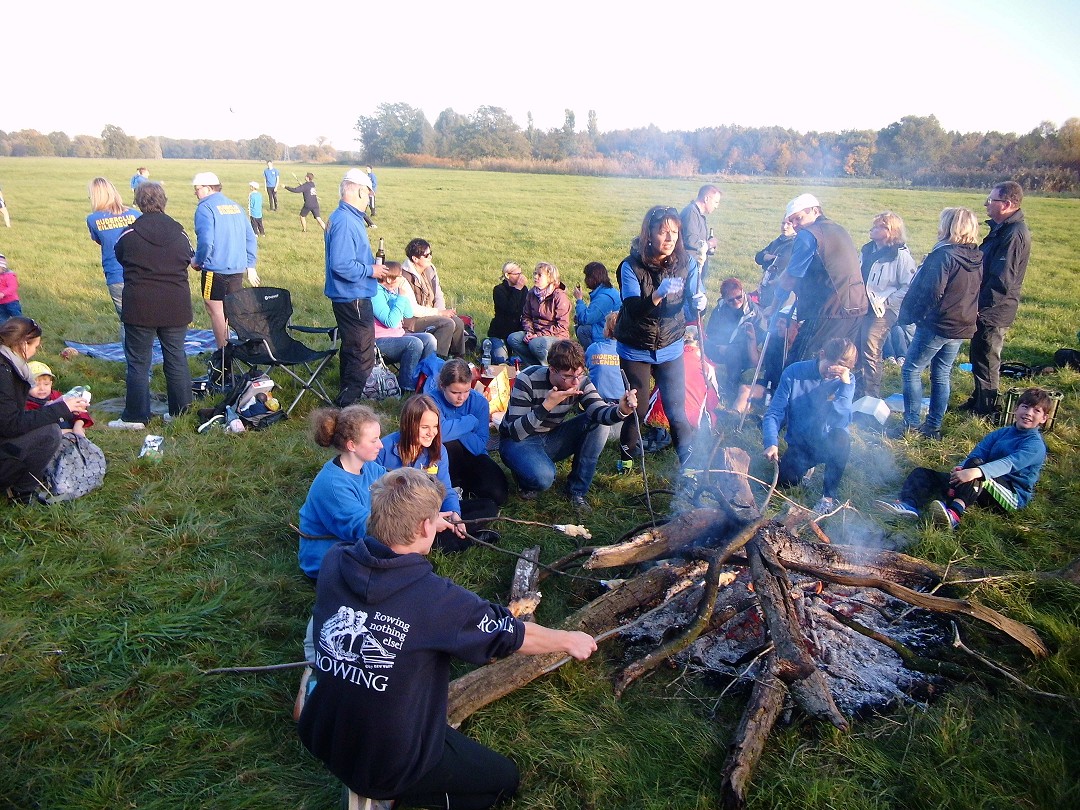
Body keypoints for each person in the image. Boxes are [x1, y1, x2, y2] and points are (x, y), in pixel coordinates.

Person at [297, 466, 596, 809]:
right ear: (425, 527)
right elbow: (511, 633)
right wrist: (568, 639)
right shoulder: (436, 601)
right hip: (387, 764)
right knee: (504, 781)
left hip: (322, 733)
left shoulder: (335, 562)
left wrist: (426, 520)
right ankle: (389, 798)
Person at [877, 386, 1051, 530]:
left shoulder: (1035, 445)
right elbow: (978, 453)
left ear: (1044, 418)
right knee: (923, 473)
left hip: (1011, 495)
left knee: (976, 470)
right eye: (1025, 407)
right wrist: (961, 468)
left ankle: (954, 513)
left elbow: (1008, 464)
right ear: (1016, 409)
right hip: (982, 484)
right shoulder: (1002, 433)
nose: (1029, 413)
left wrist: (974, 471)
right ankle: (908, 505)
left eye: (1036, 410)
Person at [615, 205, 708, 469]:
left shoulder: (687, 263)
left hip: (670, 345)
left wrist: (701, 302)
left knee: (676, 410)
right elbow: (633, 309)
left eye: (674, 233)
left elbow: (694, 299)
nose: (669, 239)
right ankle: (626, 462)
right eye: (663, 232)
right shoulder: (630, 266)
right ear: (648, 234)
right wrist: (657, 294)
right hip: (636, 347)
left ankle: (688, 466)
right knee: (638, 409)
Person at [500, 339, 636, 509]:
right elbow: (515, 432)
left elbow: (600, 412)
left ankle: (576, 491)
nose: (575, 382)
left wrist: (621, 410)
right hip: (518, 441)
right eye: (568, 377)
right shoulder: (527, 379)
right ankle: (525, 477)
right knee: (544, 478)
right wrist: (546, 406)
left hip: (550, 435)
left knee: (598, 424)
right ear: (552, 369)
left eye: (579, 375)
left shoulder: (581, 381)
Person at [110, 181, 195, 429]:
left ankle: (136, 417)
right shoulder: (180, 233)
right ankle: (180, 413)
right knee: (176, 357)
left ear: (138, 202)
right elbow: (189, 257)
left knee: (138, 362)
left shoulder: (129, 234)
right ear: (163, 201)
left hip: (140, 307)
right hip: (175, 305)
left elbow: (120, 256)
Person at [897, 207, 983, 440]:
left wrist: (917, 316)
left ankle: (911, 424)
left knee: (911, 370)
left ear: (949, 226)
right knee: (941, 373)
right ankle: (933, 426)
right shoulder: (976, 256)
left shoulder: (943, 255)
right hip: (961, 324)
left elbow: (932, 292)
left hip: (938, 324)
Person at [377, 394, 499, 553]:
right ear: (408, 425)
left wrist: (455, 514)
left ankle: (445, 534)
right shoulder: (383, 450)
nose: (432, 433)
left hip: (430, 509)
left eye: (435, 426)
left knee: (488, 507)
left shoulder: (438, 450)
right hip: (397, 517)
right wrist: (430, 522)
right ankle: (461, 541)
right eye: (425, 427)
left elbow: (445, 488)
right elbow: (377, 500)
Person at [762, 337, 857, 515]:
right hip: (801, 445)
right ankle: (807, 469)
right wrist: (771, 441)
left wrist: (844, 385)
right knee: (786, 481)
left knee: (842, 438)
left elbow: (841, 420)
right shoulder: (794, 372)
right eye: (828, 368)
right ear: (822, 354)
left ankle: (828, 497)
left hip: (828, 442)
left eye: (837, 372)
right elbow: (774, 412)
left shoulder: (847, 381)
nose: (830, 375)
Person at [0, 317, 90, 503]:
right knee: (50, 433)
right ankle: (21, 492)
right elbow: (11, 425)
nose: (35, 351)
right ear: (23, 344)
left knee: (46, 428)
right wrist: (60, 409)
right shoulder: (4, 372)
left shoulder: (7, 364)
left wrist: (56, 407)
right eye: (35, 346)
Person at [961, 181, 1032, 416]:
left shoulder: (1013, 234)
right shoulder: (1002, 229)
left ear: (1007, 204)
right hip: (986, 307)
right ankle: (978, 398)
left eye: (991, 200)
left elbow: (1002, 280)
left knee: (988, 358)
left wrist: (980, 307)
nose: (986, 204)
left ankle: (987, 408)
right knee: (978, 355)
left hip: (994, 310)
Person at [297, 404, 386, 580]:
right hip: (329, 563)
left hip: (357, 544)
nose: (381, 445)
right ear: (352, 445)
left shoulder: (369, 466)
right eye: (374, 440)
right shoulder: (333, 485)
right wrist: (413, 524)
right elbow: (366, 529)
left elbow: (394, 486)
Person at [775, 193, 867, 364]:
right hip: (857, 305)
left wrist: (775, 303)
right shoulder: (838, 229)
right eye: (791, 221)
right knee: (839, 363)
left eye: (798, 219)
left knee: (802, 364)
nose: (795, 225)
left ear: (815, 211)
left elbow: (791, 276)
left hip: (829, 310)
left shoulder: (808, 235)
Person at [324, 168, 386, 407]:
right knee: (361, 354)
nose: (369, 199)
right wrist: (371, 271)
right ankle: (348, 406)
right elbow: (341, 264)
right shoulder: (346, 221)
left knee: (352, 349)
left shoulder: (343, 217)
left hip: (349, 296)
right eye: (369, 193)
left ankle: (346, 400)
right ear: (360, 191)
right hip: (353, 297)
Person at [424, 358, 509, 506]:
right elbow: (439, 435)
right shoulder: (430, 400)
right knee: (449, 443)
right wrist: (469, 422)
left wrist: (451, 426)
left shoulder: (479, 402)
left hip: (474, 455)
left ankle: (464, 485)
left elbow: (479, 445)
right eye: (455, 392)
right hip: (443, 458)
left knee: (498, 495)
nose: (461, 398)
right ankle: (454, 487)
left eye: (466, 391)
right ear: (442, 386)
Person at [190, 171, 259, 349]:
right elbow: (250, 237)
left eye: (197, 189)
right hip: (237, 268)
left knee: (215, 310)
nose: (195, 193)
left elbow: (206, 241)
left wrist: (198, 261)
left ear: (207, 188)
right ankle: (242, 347)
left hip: (214, 269)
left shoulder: (205, 208)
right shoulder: (235, 206)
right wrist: (250, 264)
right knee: (231, 311)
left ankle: (223, 354)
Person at [856, 212, 917, 399]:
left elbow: (910, 286)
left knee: (871, 346)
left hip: (883, 310)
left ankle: (870, 395)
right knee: (856, 344)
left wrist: (888, 301)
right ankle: (856, 389)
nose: (872, 229)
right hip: (862, 306)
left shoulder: (900, 256)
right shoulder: (867, 250)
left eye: (878, 226)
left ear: (890, 231)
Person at [86, 177, 141, 344]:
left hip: (116, 274)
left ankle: (133, 359)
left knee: (127, 321)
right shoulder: (135, 214)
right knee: (144, 319)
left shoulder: (93, 219)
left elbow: (100, 241)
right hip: (141, 272)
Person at [372, 261, 437, 392]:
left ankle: (424, 381)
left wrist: (403, 294)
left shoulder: (392, 291)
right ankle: (407, 387)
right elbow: (390, 321)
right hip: (379, 342)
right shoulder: (375, 294)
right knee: (414, 343)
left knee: (429, 339)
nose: (402, 279)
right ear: (389, 279)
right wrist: (400, 297)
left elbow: (408, 313)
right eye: (400, 276)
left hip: (398, 336)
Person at [703, 277, 766, 402]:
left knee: (733, 352)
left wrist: (729, 348)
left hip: (744, 353)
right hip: (719, 347)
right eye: (731, 300)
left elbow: (758, 340)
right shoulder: (720, 308)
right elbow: (711, 331)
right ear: (724, 299)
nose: (736, 301)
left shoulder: (754, 313)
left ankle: (731, 386)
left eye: (739, 297)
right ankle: (701, 378)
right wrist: (718, 346)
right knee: (700, 342)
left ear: (743, 292)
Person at [401, 238, 466, 358]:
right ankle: (436, 361)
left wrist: (442, 311)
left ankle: (458, 359)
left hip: (431, 313)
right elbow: (413, 309)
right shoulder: (404, 277)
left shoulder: (430, 269)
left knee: (458, 322)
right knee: (447, 323)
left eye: (431, 253)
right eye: (426, 255)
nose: (430, 257)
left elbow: (438, 294)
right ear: (415, 259)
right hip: (412, 321)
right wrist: (439, 313)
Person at [508, 262, 571, 366]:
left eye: (539, 275)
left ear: (550, 278)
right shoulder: (532, 293)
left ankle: (550, 367)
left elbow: (562, 326)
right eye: (535, 273)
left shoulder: (559, 297)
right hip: (536, 333)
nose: (535, 277)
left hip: (556, 336)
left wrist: (538, 335)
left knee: (535, 344)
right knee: (513, 338)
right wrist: (529, 332)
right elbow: (526, 316)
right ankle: (533, 366)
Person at [25, 361, 93, 435]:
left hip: (68, 428)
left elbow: (79, 411)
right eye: (36, 385)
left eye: (46, 384)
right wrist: (70, 431)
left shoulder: (56, 395)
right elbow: (33, 429)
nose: (42, 388)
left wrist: (78, 426)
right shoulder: (25, 403)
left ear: (51, 384)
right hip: (49, 435)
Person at [573, 261, 620, 349]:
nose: (585, 280)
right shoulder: (606, 291)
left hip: (610, 333)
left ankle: (591, 353)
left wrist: (579, 300)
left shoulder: (604, 298)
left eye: (587, 277)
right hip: (607, 327)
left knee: (583, 330)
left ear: (593, 279)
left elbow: (585, 319)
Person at [488, 261, 528, 364]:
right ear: (507, 275)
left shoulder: (524, 290)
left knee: (520, 360)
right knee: (500, 360)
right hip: (500, 333)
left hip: (516, 333)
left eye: (521, 273)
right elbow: (509, 310)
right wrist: (517, 289)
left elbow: (523, 310)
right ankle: (487, 345)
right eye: (517, 274)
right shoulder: (498, 290)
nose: (520, 277)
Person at [680, 184, 721, 280]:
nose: (716, 206)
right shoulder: (691, 213)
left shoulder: (697, 214)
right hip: (688, 269)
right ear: (706, 199)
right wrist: (710, 244)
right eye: (715, 202)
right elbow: (691, 240)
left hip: (695, 268)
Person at [754, 219, 797, 311]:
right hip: (767, 285)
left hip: (781, 285)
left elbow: (780, 262)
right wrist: (766, 257)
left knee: (777, 312)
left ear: (795, 225)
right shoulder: (778, 241)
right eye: (783, 223)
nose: (784, 227)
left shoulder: (793, 243)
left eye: (788, 224)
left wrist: (766, 257)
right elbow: (758, 257)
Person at [0, 254, 22, 321]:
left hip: (11, 302)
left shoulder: (9, 275)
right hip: (1, 303)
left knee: (17, 318)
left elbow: (13, 287)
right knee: (2, 320)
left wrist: (3, 293)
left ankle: (24, 326)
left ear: (3, 267)